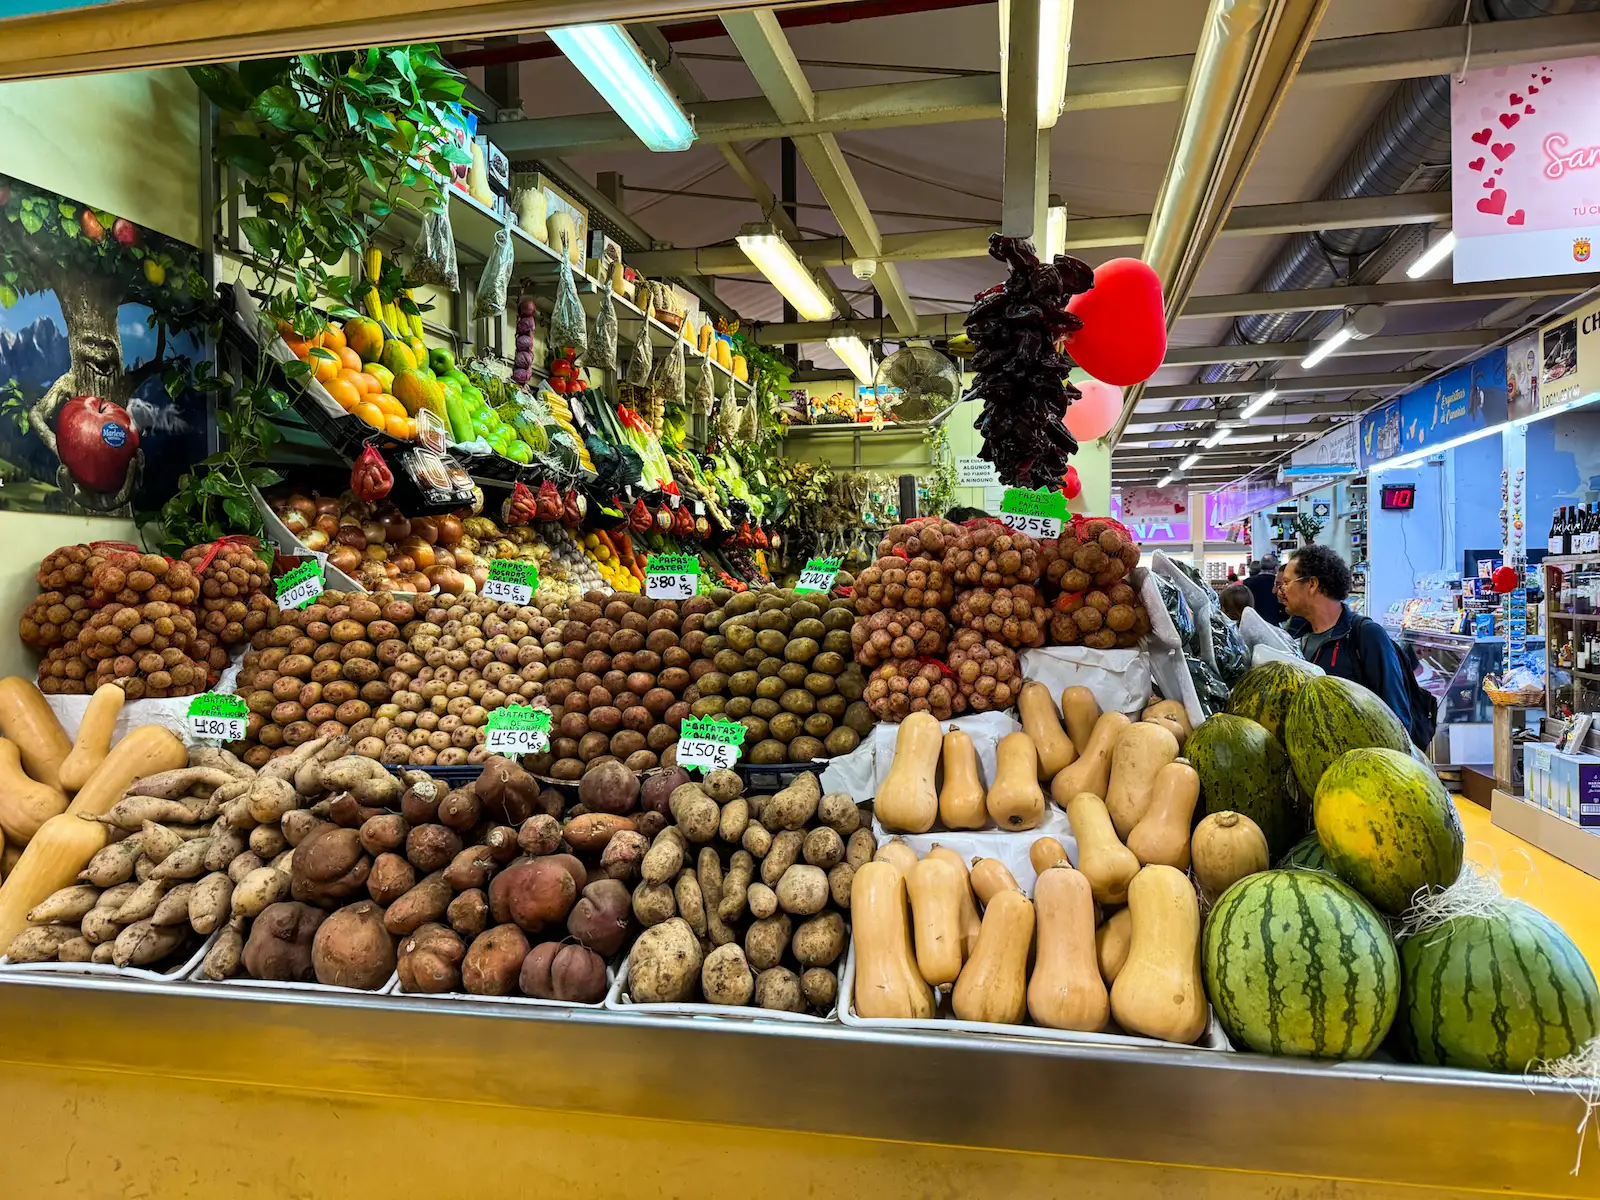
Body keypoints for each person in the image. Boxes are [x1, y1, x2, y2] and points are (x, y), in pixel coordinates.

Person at [1279, 545, 1437, 749]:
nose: (1281, 591)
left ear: (1312, 584)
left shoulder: (1366, 635)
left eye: (1286, 582)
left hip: (1362, 765)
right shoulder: (1297, 637)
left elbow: (1396, 714)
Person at [1243, 555, 1285, 626]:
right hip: (1273, 623)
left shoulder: (1247, 582)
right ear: (1276, 567)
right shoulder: (1279, 583)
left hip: (1252, 623)